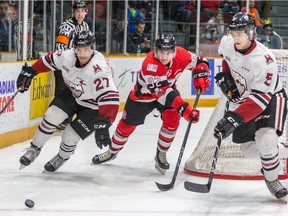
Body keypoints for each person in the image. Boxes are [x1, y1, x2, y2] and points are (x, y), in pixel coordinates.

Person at [92, 33, 211, 175]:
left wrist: (201, 73)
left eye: (168, 53)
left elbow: (200, 61)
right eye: (161, 52)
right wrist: (184, 108)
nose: (164, 57)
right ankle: (112, 151)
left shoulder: (183, 55)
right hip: (143, 97)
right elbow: (163, 94)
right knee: (126, 127)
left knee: (172, 121)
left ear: (174, 52)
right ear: (155, 51)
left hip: (168, 92)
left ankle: (161, 153)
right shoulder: (150, 64)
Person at [16, 31, 119, 172]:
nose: (82, 54)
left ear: (93, 48)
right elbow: (49, 59)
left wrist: (104, 123)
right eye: (79, 49)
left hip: (94, 106)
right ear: (75, 48)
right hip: (74, 95)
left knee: (69, 135)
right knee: (51, 115)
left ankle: (62, 157)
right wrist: (32, 71)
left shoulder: (99, 68)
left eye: (86, 50)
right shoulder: (67, 56)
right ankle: (34, 149)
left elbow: (110, 96)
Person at [214, 12, 288, 200]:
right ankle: (281, 150)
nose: (236, 37)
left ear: (251, 32)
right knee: (246, 147)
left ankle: (272, 179)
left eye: (240, 34)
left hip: (271, 99)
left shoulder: (264, 60)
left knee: (266, 139)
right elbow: (227, 60)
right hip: (246, 99)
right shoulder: (227, 43)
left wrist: (234, 118)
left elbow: (261, 99)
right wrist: (226, 77)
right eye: (233, 33)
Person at [54, 0, 90, 130]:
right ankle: (58, 120)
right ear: (73, 12)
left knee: (74, 93)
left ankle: (67, 119)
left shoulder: (85, 26)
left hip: (76, 67)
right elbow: (59, 48)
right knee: (62, 92)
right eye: (77, 11)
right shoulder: (67, 26)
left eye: (82, 11)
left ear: (86, 12)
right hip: (63, 66)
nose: (80, 14)